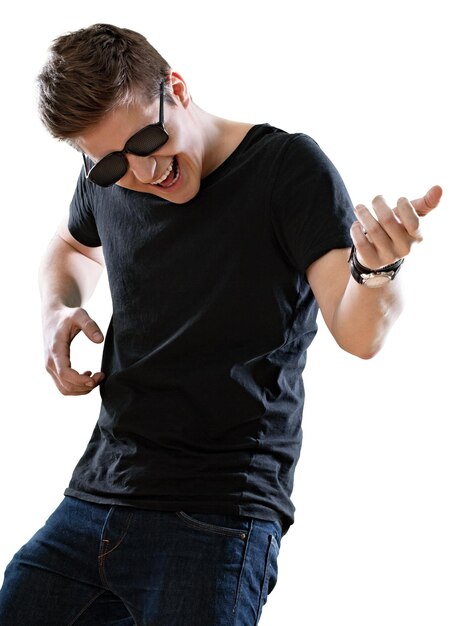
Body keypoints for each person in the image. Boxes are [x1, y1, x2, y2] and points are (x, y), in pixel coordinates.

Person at [0, 22, 442, 626]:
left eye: (150, 141)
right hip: (96, 491)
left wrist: (375, 270)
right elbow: (72, 246)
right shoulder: (105, 174)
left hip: (218, 512)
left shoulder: (287, 169)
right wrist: (55, 310)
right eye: (110, 167)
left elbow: (358, 334)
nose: (143, 173)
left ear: (175, 88)